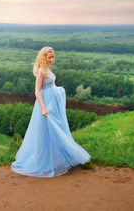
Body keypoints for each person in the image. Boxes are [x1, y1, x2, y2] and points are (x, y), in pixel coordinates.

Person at [11, 46, 91, 177]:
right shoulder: (41, 71)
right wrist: (43, 108)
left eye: (53, 57)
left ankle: (57, 159)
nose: (52, 59)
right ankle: (46, 162)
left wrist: (59, 91)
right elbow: (37, 91)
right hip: (46, 104)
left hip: (54, 103)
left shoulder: (48, 68)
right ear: (44, 57)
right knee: (48, 132)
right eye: (49, 57)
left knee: (57, 130)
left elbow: (51, 85)